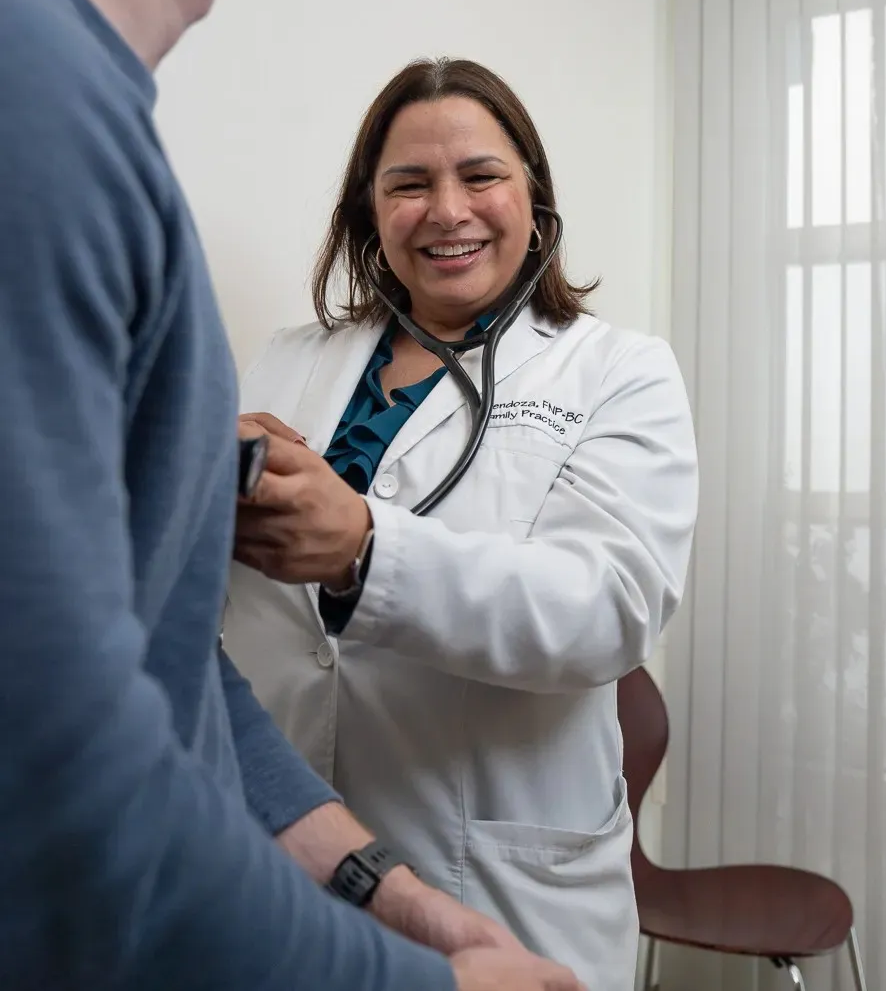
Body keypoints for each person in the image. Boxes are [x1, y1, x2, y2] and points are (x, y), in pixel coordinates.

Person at [0, 0, 585, 988]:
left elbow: (164, 662)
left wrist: (385, 890)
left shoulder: (92, 129)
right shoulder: (30, 97)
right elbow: (57, 782)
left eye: (481, 178)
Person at [223, 57, 700, 991]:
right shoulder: (286, 364)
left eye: (481, 176)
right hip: (281, 857)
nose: (447, 210)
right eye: (409, 184)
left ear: (535, 200)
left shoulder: (618, 373)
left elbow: (607, 607)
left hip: (493, 880)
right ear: (370, 213)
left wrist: (365, 548)